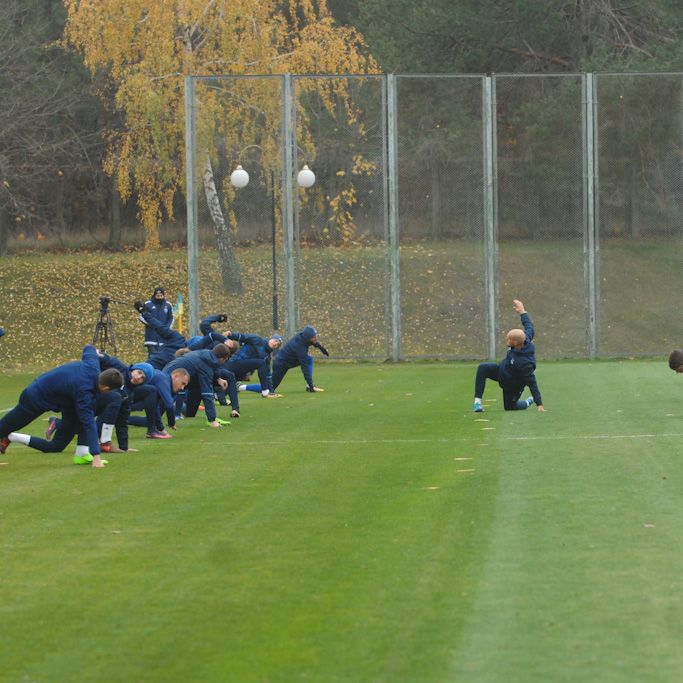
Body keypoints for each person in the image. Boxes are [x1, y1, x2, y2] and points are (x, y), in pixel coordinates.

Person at [0, 345, 124, 467]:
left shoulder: (92, 365)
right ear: (106, 387)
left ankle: (82, 454)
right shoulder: (84, 393)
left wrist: (97, 352)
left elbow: (89, 348)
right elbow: (88, 423)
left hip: (63, 398)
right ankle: (7, 435)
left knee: (77, 414)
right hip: (35, 397)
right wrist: (97, 455)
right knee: (7, 425)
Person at [473, 299, 544, 413]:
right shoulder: (525, 338)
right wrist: (522, 311)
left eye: (508, 339)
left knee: (510, 407)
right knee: (483, 367)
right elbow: (529, 325)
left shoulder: (524, 363)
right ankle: (477, 403)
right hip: (502, 371)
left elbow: (532, 383)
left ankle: (526, 403)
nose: (506, 340)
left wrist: (539, 403)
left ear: (515, 343)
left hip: (512, 384)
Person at [162, 344, 232, 428]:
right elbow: (207, 393)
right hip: (169, 379)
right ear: (221, 359)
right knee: (163, 402)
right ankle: (211, 420)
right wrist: (212, 420)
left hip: (168, 374)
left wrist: (218, 379)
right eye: (225, 360)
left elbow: (215, 367)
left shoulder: (207, 355)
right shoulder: (205, 365)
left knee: (188, 411)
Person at [246, 325, 328, 394]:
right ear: (308, 337)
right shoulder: (300, 347)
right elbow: (304, 367)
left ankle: (309, 386)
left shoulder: (303, 337)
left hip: (289, 361)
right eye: (313, 337)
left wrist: (322, 349)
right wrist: (311, 386)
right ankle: (241, 387)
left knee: (309, 359)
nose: (315, 338)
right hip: (280, 364)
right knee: (269, 388)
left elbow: (313, 342)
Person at [128, 367, 191, 438]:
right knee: (150, 420)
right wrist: (171, 423)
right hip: (127, 391)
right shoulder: (163, 380)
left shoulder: (163, 381)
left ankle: (119, 418)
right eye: (182, 383)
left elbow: (155, 406)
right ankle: (151, 431)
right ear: (175, 376)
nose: (182, 388)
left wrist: (161, 428)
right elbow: (169, 405)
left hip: (131, 393)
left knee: (149, 421)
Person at [226, 331, 283, 398]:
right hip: (234, 363)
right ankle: (265, 393)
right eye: (275, 340)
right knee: (261, 363)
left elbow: (267, 375)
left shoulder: (267, 357)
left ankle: (236, 388)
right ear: (270, 338)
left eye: (278, 344)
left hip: (241, 373)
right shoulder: (257, 339)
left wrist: (272, 392)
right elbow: (242, 337)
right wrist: (230, 335)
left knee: (221, 391)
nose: (276, 344)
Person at [139, 287, 174, 356]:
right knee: (152, 357)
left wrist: (166, 329)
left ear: (163, 296)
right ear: (154, 295)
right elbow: (141, 316)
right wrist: (152, 324)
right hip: (151, 336)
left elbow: (171, 318)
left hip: (163, 337)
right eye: (157, 296)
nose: (159, 297)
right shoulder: (148, 304)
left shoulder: (168, 305)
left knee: (163, 357)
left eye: (161, 296)